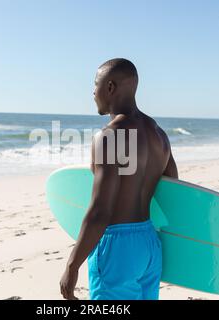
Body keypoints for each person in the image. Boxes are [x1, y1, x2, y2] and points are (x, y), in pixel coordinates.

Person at [60, 58, 179, 300]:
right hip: (149, 243)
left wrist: (72, 266)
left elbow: (101, 210)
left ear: (110, 87)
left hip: (116, 246)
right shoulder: (159, 134)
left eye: (96, 84)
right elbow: (172, 189)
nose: (93, 92)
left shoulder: (109, 137)